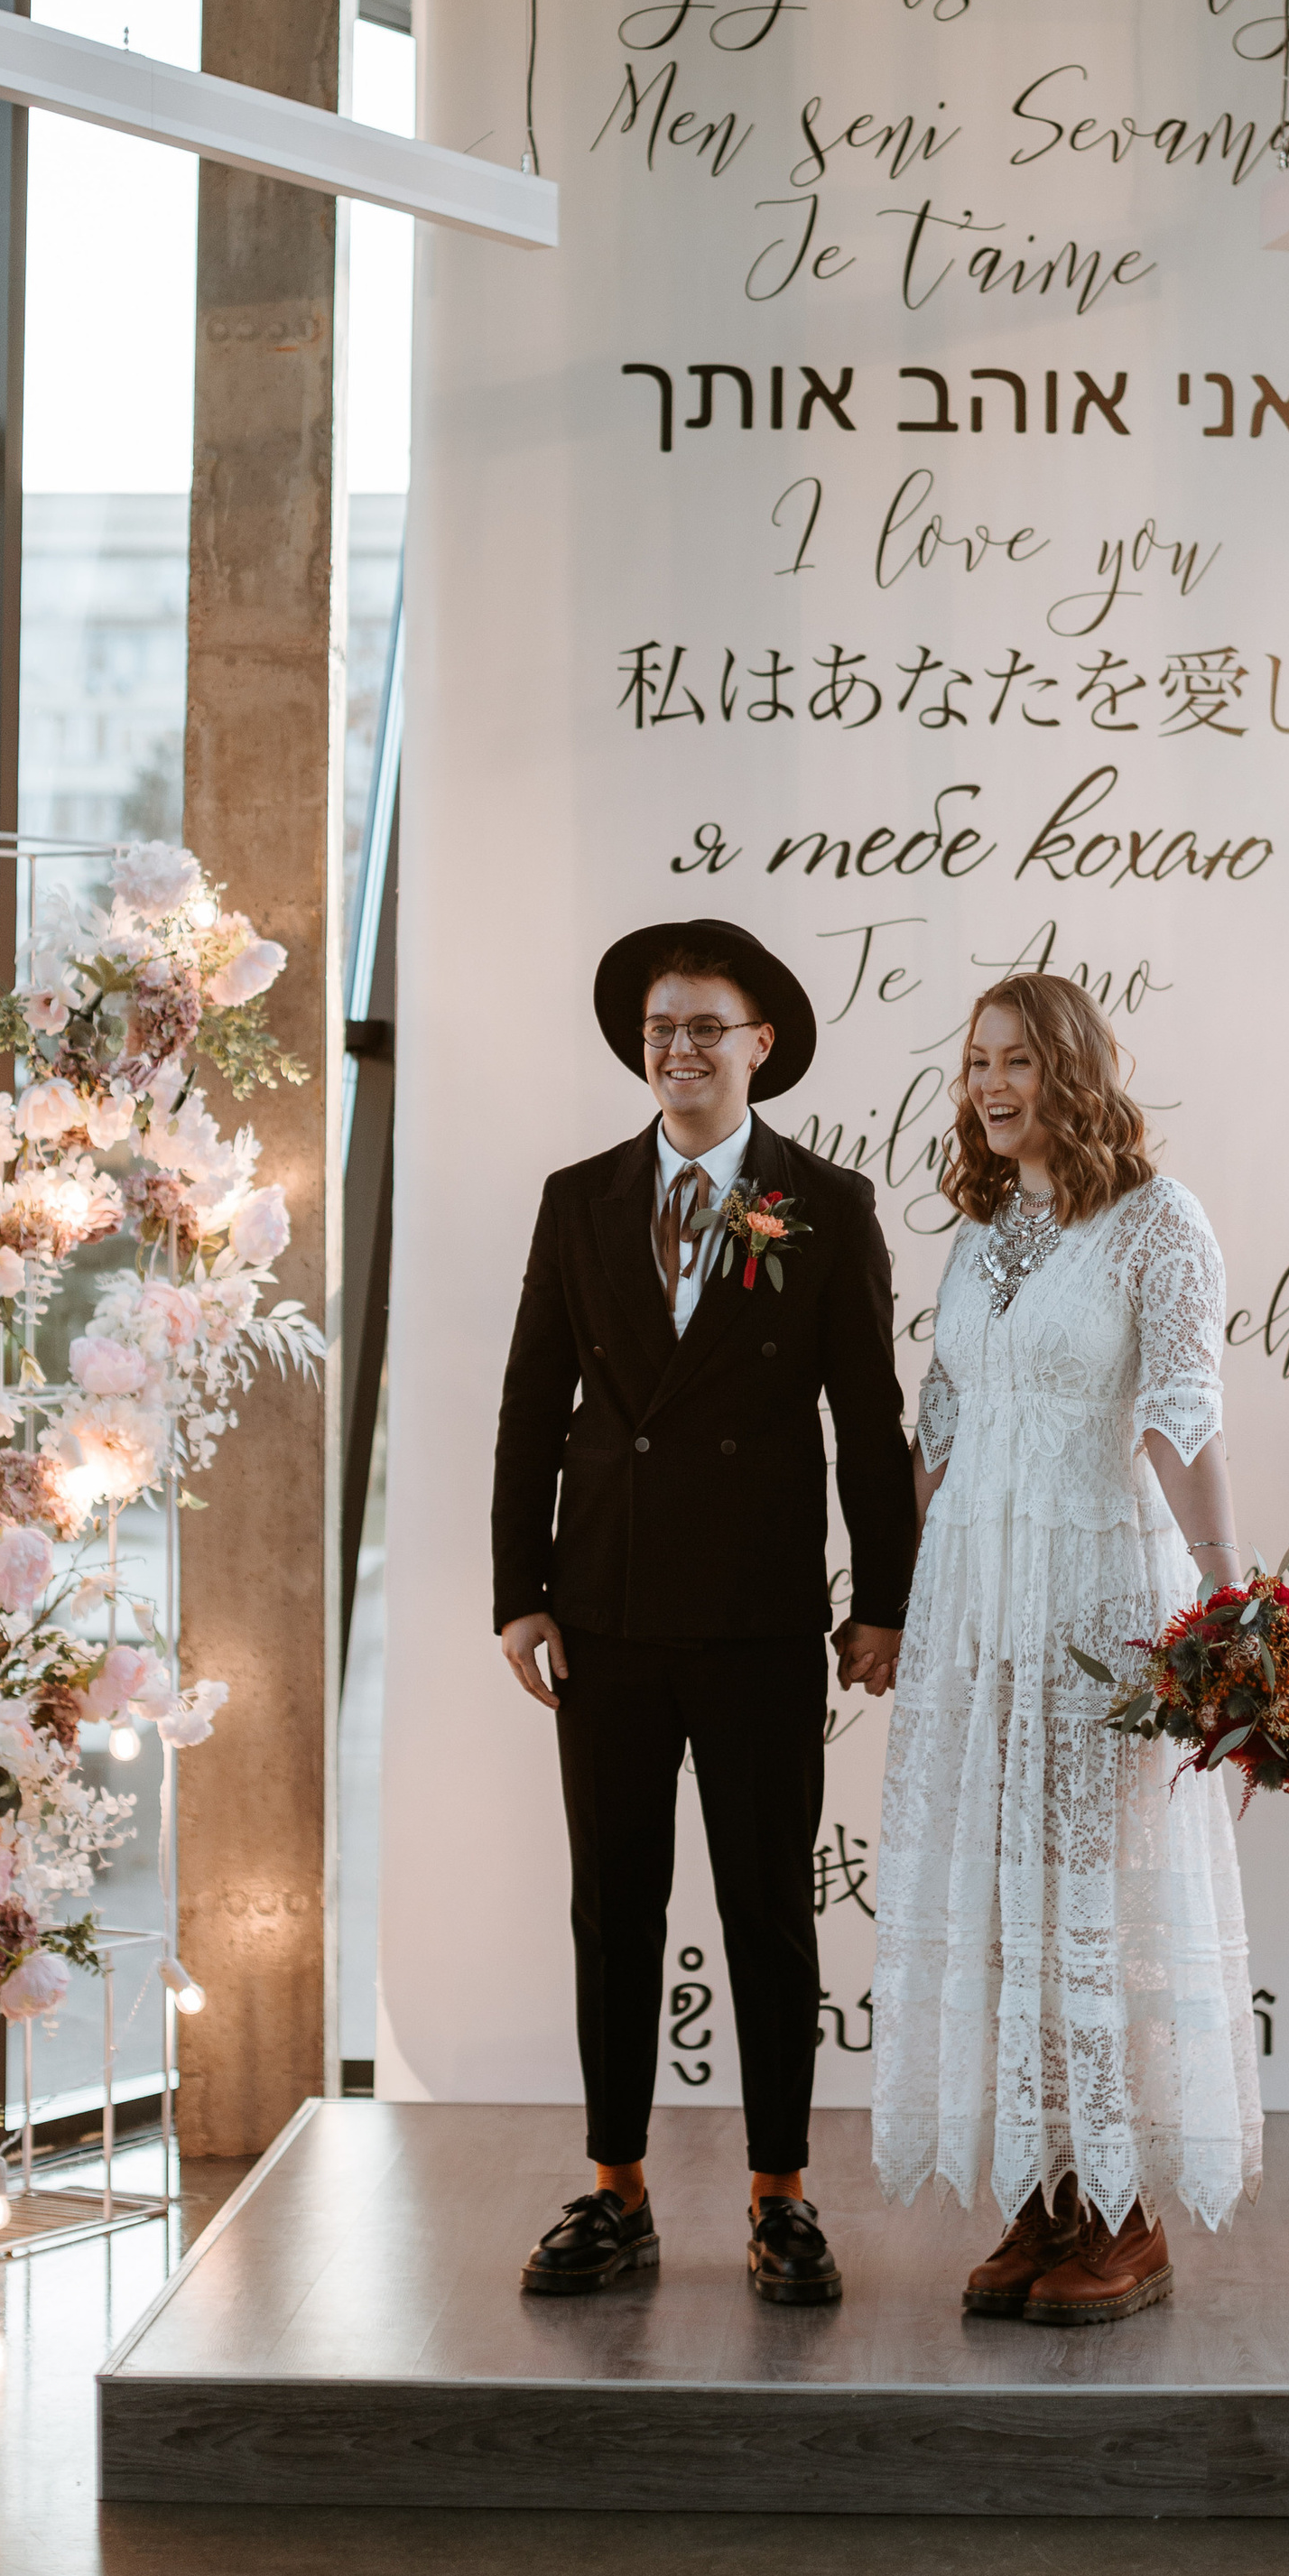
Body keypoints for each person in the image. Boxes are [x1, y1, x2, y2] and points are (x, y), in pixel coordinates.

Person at [491, 919, 917, 2308]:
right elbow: (529, 1409)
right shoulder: (579, 1198)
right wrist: (519, 1591)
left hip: (756, 1614)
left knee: (765, 1913)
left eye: (704, 1028)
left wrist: (885, 1602)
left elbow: (869, 1420)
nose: (678, 1048)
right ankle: (615, 2191)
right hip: (604, 1612)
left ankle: (780, 2195)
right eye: (659, 1027)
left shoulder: (827, 1204)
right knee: (611, 1909)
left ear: (760, 1046)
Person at [870, 972, 1262, 2323]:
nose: (987, 1085)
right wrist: (900, 1598)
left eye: (1017, 1063)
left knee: (1096, 1909)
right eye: (976, 1061)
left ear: (1074, 1072)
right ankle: (1043, 2198)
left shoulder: (1161, 1223)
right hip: (982, 1602)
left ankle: (1125, 2212)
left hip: (1101, 1600)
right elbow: (943, 1422)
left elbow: (1182, 1416)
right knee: (1008, 1905)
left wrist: (1227, 1610)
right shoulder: (982, 1233)